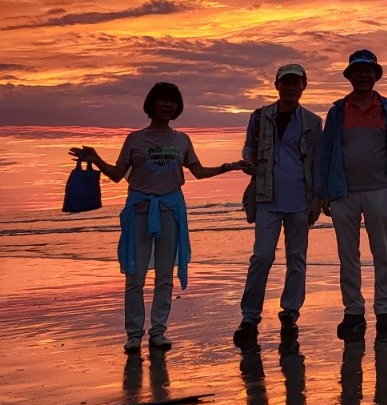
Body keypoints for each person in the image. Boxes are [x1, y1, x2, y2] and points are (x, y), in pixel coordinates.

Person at [70, 81, 245, 353]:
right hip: (139, 210)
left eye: (172, 101)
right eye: (162, 100)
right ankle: (133, 335)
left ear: (178, 107)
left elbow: (197, 172)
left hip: (170, 211)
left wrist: (228, 166)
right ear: (151, 104)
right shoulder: (135, 139)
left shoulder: (181, 140)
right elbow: (117, 175)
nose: (168, 105)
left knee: (165, 275)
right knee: (135, 276)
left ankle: (158, 332)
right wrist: (96, 159)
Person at [316, 49, 387, 342]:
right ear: (350, 76)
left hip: (380, 189)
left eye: (369, 70)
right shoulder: (337, 111)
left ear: (375, 75)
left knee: (382, 252)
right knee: (348, 256)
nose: (363, 75)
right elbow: (324, 153)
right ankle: (353, 311)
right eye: (358, 71)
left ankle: (384, 311)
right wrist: (323, 193)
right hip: (344, 192)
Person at [232, 62, 324, 348]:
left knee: (296, 258)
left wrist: (317, 199)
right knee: (262, 257)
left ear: (304, 86)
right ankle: (250, 316)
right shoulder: (260, 117)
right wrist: (248, 160)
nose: (291, 87)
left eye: (296, 82)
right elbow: (248, 146)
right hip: (266, 197)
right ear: (277, 85)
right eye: (286, 82)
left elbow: (317, 162)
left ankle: (290, 312)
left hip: (300, 199)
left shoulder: (312, 121)